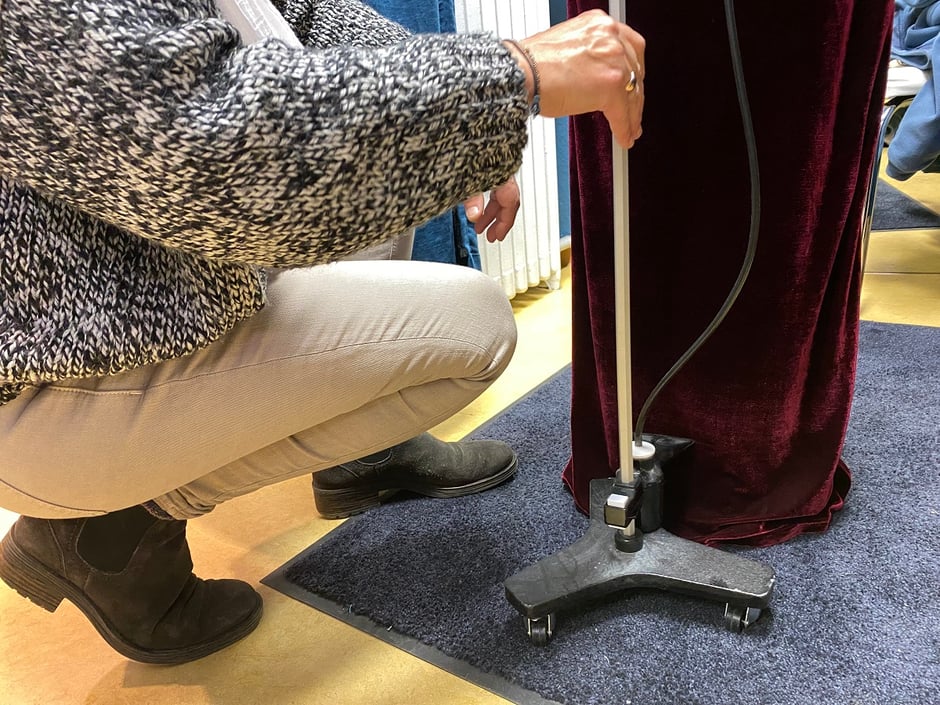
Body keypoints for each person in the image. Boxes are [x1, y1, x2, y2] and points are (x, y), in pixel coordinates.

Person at [0, 0, 645, 664]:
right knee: (475, 328)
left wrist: (460, 133)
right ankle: (108, 528)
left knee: (388, 152)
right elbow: (212, 153)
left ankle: (363, 459)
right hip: (43, 374)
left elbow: (303, 18)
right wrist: (510, 80)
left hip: (150, 279)